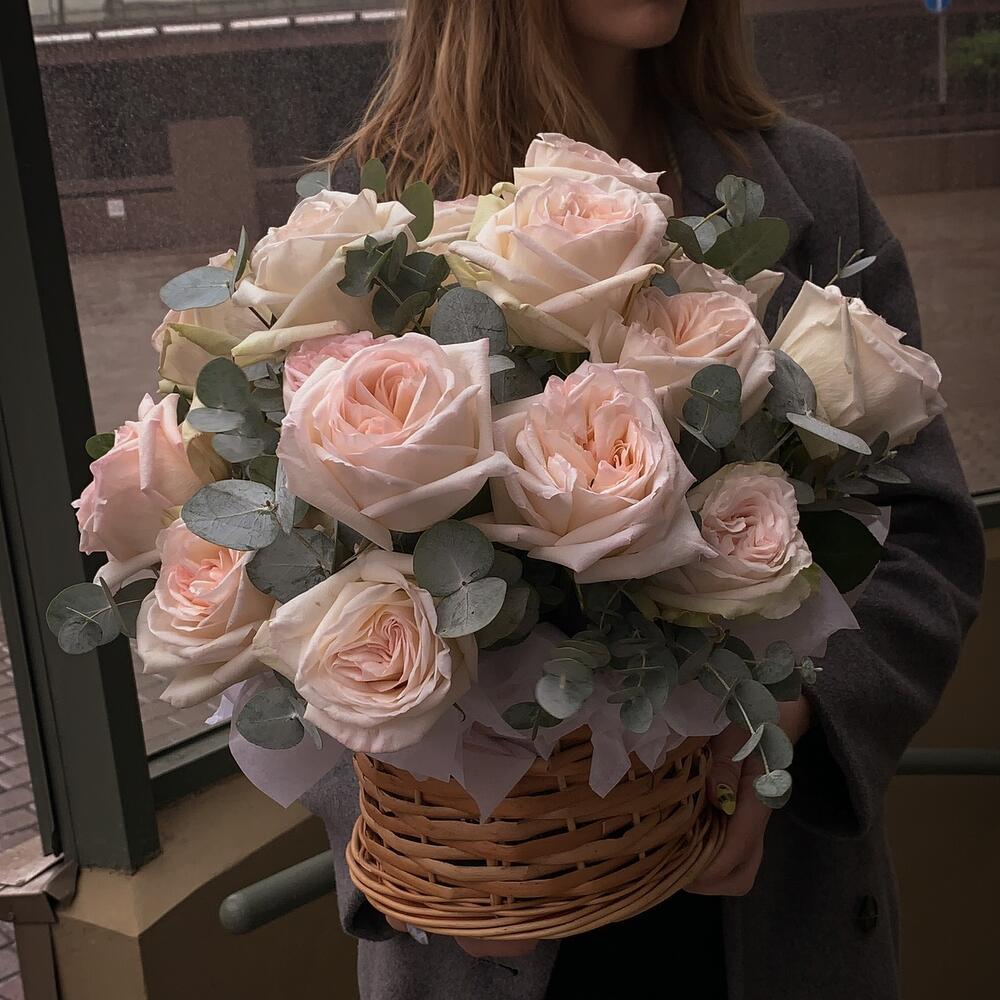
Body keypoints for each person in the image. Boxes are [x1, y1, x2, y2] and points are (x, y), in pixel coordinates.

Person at [302, 2, 985, 998]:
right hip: (491, 937)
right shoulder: (366, 216)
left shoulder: (809, 181)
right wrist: (419, 867)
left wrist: (796, 712)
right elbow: (280, 593)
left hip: (766, 899)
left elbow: (924, 534)